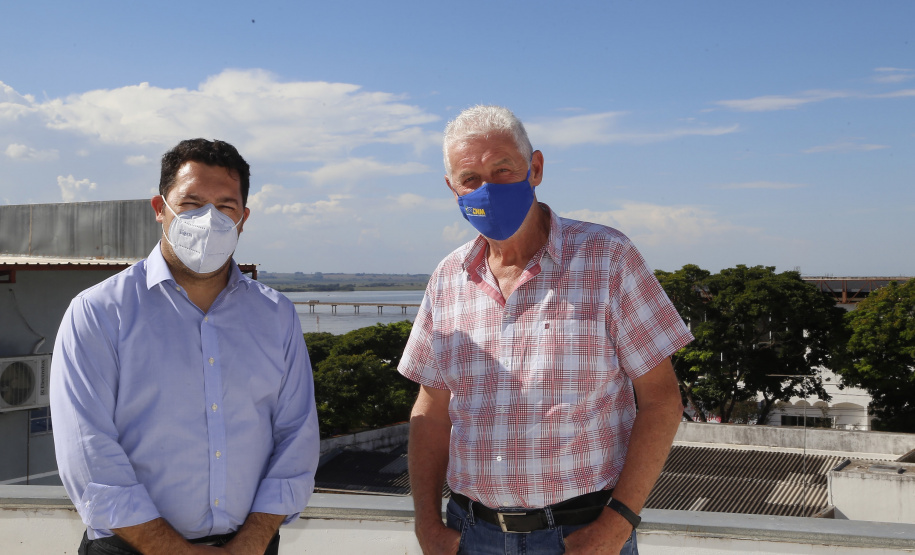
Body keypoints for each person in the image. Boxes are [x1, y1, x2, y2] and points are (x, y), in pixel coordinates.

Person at [398, 106, 693, 555]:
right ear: (452, 188)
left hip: (580, 534)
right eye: (471, 178)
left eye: (503, 170)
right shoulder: (448, 278)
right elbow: (431, 410)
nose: (488, 189)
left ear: (534, 168)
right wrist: (426, 525)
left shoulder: (607, 258)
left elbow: (661, 399)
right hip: (470, 534)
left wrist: (617, 525)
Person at [51, 138, 320, 555]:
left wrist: (250, 543)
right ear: (161, 209)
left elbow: (296, 438)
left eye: (225, 207)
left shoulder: (276, 315)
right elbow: (89, 453)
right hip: (130, 548)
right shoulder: (99, 312)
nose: (208, 219)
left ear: (243, 218)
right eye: (192, 204)